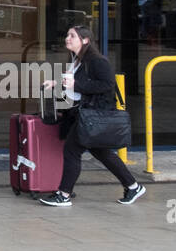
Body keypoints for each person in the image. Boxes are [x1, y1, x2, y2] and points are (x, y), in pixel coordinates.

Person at [38, 25, 146, 207]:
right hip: (86, 114)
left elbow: (106, 84)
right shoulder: (77, 60)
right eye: (67, 35)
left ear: (85, 40)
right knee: (102, 151)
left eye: (72, 36)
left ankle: (64, 194)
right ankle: (133, 186)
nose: (67, 38)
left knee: (72, 150)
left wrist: (77, 85)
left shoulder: (97, 61)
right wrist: (56, 83)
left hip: (94, 114)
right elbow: (74, 82)